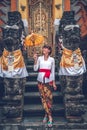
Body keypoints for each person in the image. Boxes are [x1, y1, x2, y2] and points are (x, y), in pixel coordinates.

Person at [33, 44, 57, 127]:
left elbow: (53, 71)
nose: (44, 49)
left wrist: (53, 82)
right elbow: (35, 69)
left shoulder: (52, 59)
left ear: (49, 50)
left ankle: (48, 115)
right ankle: (48, 116)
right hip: (40, 81)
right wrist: (35, 60)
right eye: (43, 48)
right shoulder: (39, 58)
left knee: (49, 99)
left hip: (49, 80)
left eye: (46, 48)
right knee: (43, 98)